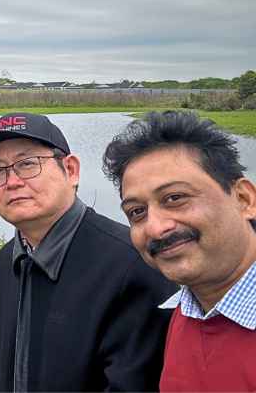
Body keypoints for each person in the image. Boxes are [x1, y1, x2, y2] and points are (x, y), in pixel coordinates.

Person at [0, 112, 176, 392]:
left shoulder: (132, 264)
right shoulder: (3, 267)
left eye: (27, 164)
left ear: (72, 170)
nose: (12, 181)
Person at [103, 110, 256, 391]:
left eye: (175, 198)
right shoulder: (185, 313)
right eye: (137, 212)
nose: (156, 227)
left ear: (244, 199)